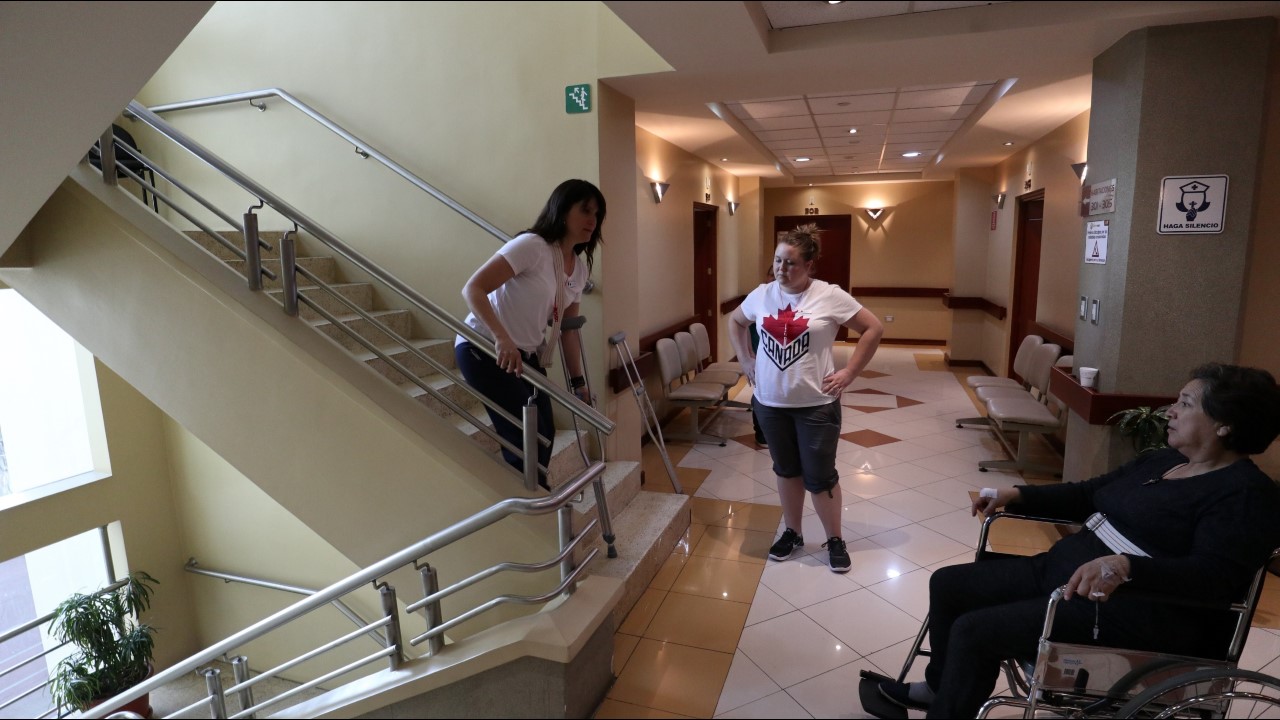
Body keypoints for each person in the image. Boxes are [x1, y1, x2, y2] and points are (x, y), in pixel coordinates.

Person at [876, 363, 1280, 719]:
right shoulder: (1165, 461)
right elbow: (1089, 493)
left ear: (1225, 424)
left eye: (1186, 403)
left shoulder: (1245, 494)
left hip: (1131, 610)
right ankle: (941, 689)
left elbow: (1214, 577)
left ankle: (950, 707)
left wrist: (1127, 566)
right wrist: (1017, 494)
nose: (1170, 410)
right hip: (1062, 573)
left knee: (975, 630)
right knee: (949, 584)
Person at [728, 224, 884, 573]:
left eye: (791, 263)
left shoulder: (829, 295)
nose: (781, 269)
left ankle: (834, 539)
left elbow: (873, 328)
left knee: (820, 476)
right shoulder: (762, 294)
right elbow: (736, 322)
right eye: (777, 261)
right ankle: (793, 532)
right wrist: (745, 359)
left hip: (816, 404)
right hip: (770, 403)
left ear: (809, 265)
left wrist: (849, 372)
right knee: (786, 471)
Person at [456, 179, 602, 488]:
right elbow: (474, 288)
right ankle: (528, 501)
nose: (593, 220)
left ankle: (531, 496)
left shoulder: (578, 269)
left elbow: (568, 331)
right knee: (526, 435)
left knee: (545, 432)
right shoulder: (532, 246)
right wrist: (501, 338)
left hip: (526, 354)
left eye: (597, 214)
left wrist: (579, 384)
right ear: (563, 210)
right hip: (483, 347)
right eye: (585, 210)